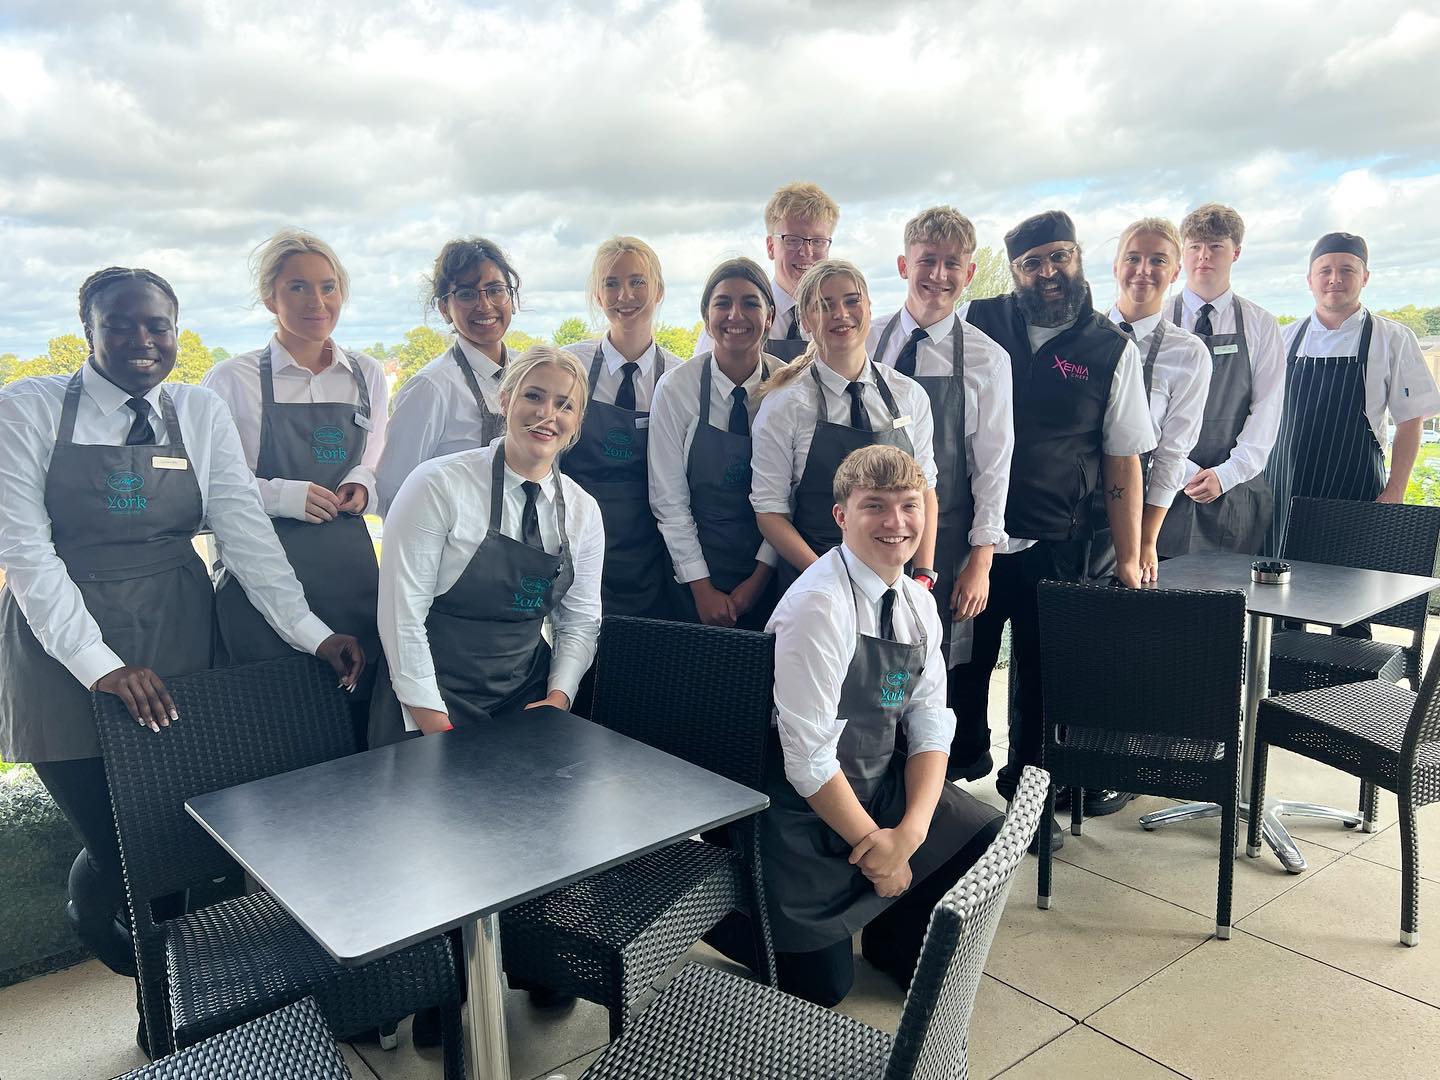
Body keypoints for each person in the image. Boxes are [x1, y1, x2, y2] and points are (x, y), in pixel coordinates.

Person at [0, 268, 363, 1050]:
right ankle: (113, 939)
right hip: (62, 651)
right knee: (119, 846)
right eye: (120, 324)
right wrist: (99, 663)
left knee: (180, 840)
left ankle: (174, 1011)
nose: (142, 340)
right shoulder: (27, 408)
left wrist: (310, 631)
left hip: (178, 636)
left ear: (176, 328)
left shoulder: (196, 410)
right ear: (88, 329)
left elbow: (245, 534)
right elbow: (26, 554)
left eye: (157, 325)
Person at [757, 443, 1003, 1007]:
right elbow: (807, 760)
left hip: (874, 777)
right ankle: (732, 912)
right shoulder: (820, 604)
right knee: (822, 989)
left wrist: (910, 835)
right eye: (875, 506)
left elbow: (930, 721)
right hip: (799, 803)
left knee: (980, 833)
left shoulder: (916, 603)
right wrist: (877, 847)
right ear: (841, 516)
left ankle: (893, 944)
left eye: (909, 505)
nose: (896, 522)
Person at [955, 211, 1155, 833]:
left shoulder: (1110, 348)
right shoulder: (977, 320)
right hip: (974, 537)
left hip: (1059, 542)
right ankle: (951, 783)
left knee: (1043, 681)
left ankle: (1029, 803)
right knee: (959, 664)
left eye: (1059, 257)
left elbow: (1122, 459)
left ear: (1078, 257)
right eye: (1032, 263)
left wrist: (1129, 556)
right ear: (1015, 270)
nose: (1048, 272)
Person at [204, 230, 387, 741]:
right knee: (275, 732)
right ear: (270, 298)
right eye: (298, 288)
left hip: (351, 577)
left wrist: (361, 483)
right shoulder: (231, 380)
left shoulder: (367, 374)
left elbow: (376, 459)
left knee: (359, 729)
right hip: (259, 578)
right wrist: (283, 495)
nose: (317, 302)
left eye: (328, 287)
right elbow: (210, 492)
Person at [370, 344, 603, 744]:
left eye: (564, 405)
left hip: (526, 703)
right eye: (534, 396)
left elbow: (579, 621)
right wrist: (436, 725)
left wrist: (558, 698)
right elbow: (400, 617)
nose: (547, 414)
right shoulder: (437, 485)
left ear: (577, 421)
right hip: (427, 700)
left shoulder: (584, 511)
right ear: (506, 400)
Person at [1265, 232, 1440, 626]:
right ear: (1309, 279)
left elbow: (1411, 420)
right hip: (1284, 488)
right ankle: (1279, 663)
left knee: (1352, 601)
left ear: (1365, 277)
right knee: (1279, 602)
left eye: (1346, 269)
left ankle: (1354, 667)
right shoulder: (1284, 337)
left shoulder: (1392, 338)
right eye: (1325, 270)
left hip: (1356, 487)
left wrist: (1395, 489)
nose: (1335, 279)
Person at [867, 206, 1013, 673]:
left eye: (952, 263)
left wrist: (981, 562)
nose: (938, 274)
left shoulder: (989, 359)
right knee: (862, 666)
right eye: (927, 260)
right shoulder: (866, 339)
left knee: (933, 671)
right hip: (864, 535)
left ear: (969, 273)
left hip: (946, 543)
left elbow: (993, 466)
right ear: (903, 265)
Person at [751, 260, 939, 594]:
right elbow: (769, 512)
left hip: (895, 582)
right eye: (824, 306)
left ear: (869, 308)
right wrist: (832, 580)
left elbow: (925, 491)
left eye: (852, 301)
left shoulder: (909, 395)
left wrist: (923, 575)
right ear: (806, 320)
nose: (840, 313)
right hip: (815, 583)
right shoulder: (785, 405)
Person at [649, 257, 784, 629]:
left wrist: (759, 578)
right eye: (723, 303)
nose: (735, 315)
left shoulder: (789, 387)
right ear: (706, 317)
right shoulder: (676, 389)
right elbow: (668, 499)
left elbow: (788, 496)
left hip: (770, 573)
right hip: (689, 573)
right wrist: (701, 586)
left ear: (770, 316)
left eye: (750, 303)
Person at [561, 237, 680, 624]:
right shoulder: (571, 367)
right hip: (577, 548)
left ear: (659, 290)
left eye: (637, 281)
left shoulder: (678, 378)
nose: (624, 295)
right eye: (611, 283)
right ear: (598, 296)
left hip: (651, 556)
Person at [1161, 203, 1283, 556]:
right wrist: (1184, 471)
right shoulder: (1159, 319)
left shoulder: (1261, 324)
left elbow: (1267, 410)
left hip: (1236, 491)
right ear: (1182, 253)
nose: (1204, 256)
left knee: (1230, 589)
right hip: (1163, 485)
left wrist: (1225, 475)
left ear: (1236, 253)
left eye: (1216, 246)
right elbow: (1141, 412)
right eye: (1195, 246)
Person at [1095, 217, 1211, 581]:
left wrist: (1144, 541)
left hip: (1136, 515)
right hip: (1069, 517)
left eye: (1158, 260)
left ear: (1175, 272)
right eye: (1133, 258)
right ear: (1116, 267)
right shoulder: (1083, 337)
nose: (1143, 270)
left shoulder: (1189, 353)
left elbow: (1172, 454)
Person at [376, 237, 522, 512]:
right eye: (466, 294)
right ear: (444, 309)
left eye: (495, 290)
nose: (485, 305)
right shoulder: (430, 388)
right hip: (455, 537)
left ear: (511, 298)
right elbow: (392, 493)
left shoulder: (529, 372)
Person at [694, 182, 840, 362]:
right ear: (771, 247)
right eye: (792, 240)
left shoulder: (842, 322)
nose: (806, 252)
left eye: (818, 241)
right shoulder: (730, 324)